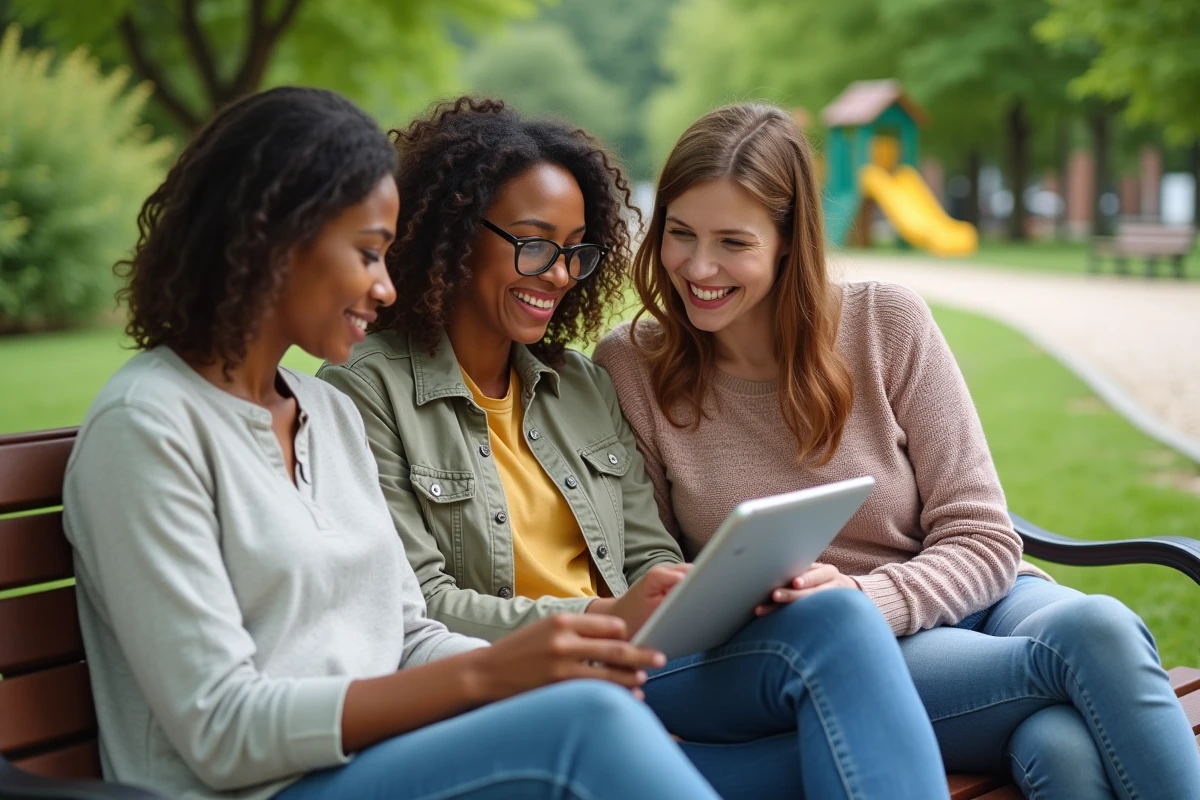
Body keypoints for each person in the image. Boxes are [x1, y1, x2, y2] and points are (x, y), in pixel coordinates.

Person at [62, 86, 722, 800]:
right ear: (275, 240)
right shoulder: (148, 428)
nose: (386, 288)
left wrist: (542, 665)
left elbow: (406, 632)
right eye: (369, 254)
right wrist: (491, 674)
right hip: (259, 789)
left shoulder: (321, 411)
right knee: (586, 723)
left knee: (598, 709)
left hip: (377, 761)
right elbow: (223, 731)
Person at [319, 96, 949, 800]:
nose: (557, 274)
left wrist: (680, 595)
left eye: (573, 252)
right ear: (457, 233)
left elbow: (651, 552)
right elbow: (419, 606)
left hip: (645, 669)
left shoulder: (579, 385)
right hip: (525, 689)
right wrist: (598, 620)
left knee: (834, 616)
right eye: (533, 244)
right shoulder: (367, 391)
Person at [592, 102, 1200, 800]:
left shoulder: (885, 322)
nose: (699, 267)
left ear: (790, 240)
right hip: (838, 650)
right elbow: (657, 566)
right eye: (680, 234)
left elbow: (982, 536)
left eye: (734, 242)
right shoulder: (635, 366)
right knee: (1060, 743)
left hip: (972, 600)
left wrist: (869, 593)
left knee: (1098, 626)